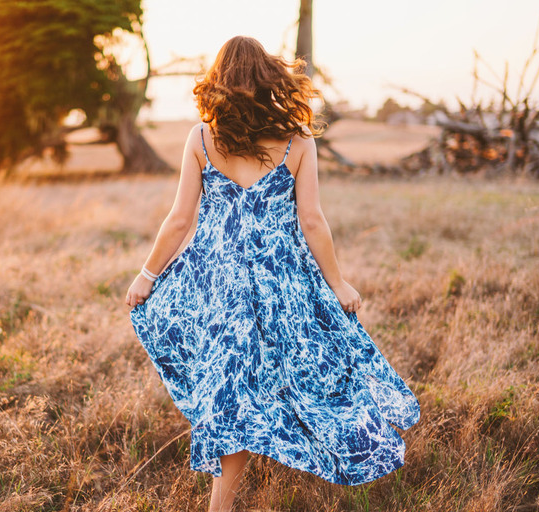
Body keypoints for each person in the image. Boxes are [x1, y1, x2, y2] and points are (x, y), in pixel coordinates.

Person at [125, 36, 420, 512]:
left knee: (233, 386)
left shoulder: (202, 138)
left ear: (219, 82)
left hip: (218, 281)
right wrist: (338, 283)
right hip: (283, 280)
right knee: (306, 374)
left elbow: (180, 218)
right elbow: (312, 222)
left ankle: (224, 498)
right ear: (269, 80)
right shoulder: (297, 140)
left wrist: (146, 275)